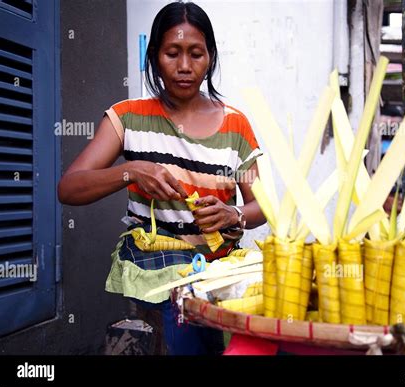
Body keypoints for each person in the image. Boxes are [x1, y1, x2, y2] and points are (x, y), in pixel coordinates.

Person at [57, 1, 266, 355]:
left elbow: (264, 205)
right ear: (154, 56)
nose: (184, 67)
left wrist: (235, 215)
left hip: (216, 279)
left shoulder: (235, 125)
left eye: (196, 54)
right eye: (172, 53)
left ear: (211, 58)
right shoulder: (127, 118)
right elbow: (69, 187)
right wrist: (130, 171)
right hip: (156, 277)